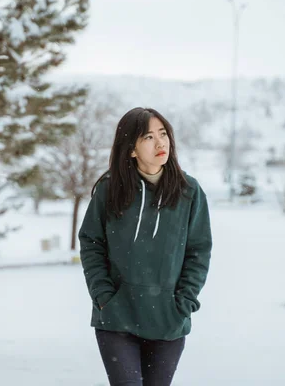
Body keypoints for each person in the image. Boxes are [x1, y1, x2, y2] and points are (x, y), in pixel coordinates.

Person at [79, 107, 212, 386]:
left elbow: (198, 251)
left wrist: (183, 302)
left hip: (168, 320)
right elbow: (91, 243)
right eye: (149, 137)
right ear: (131, 149)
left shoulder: (189, 191)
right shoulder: (109, 190)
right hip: (117, 318)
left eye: (163, 134)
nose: (160, 143)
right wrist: (104, 295)